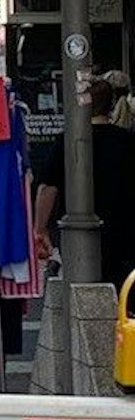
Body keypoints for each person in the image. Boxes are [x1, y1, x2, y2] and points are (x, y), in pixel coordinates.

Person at [35, 78, 135, 291]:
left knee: (81, 289)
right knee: (122, 289)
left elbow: (48, 188)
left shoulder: (68, 140)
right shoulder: (126, 140)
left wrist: (40, 228)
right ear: (111, 105)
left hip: (76, 234)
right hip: (124, 230)